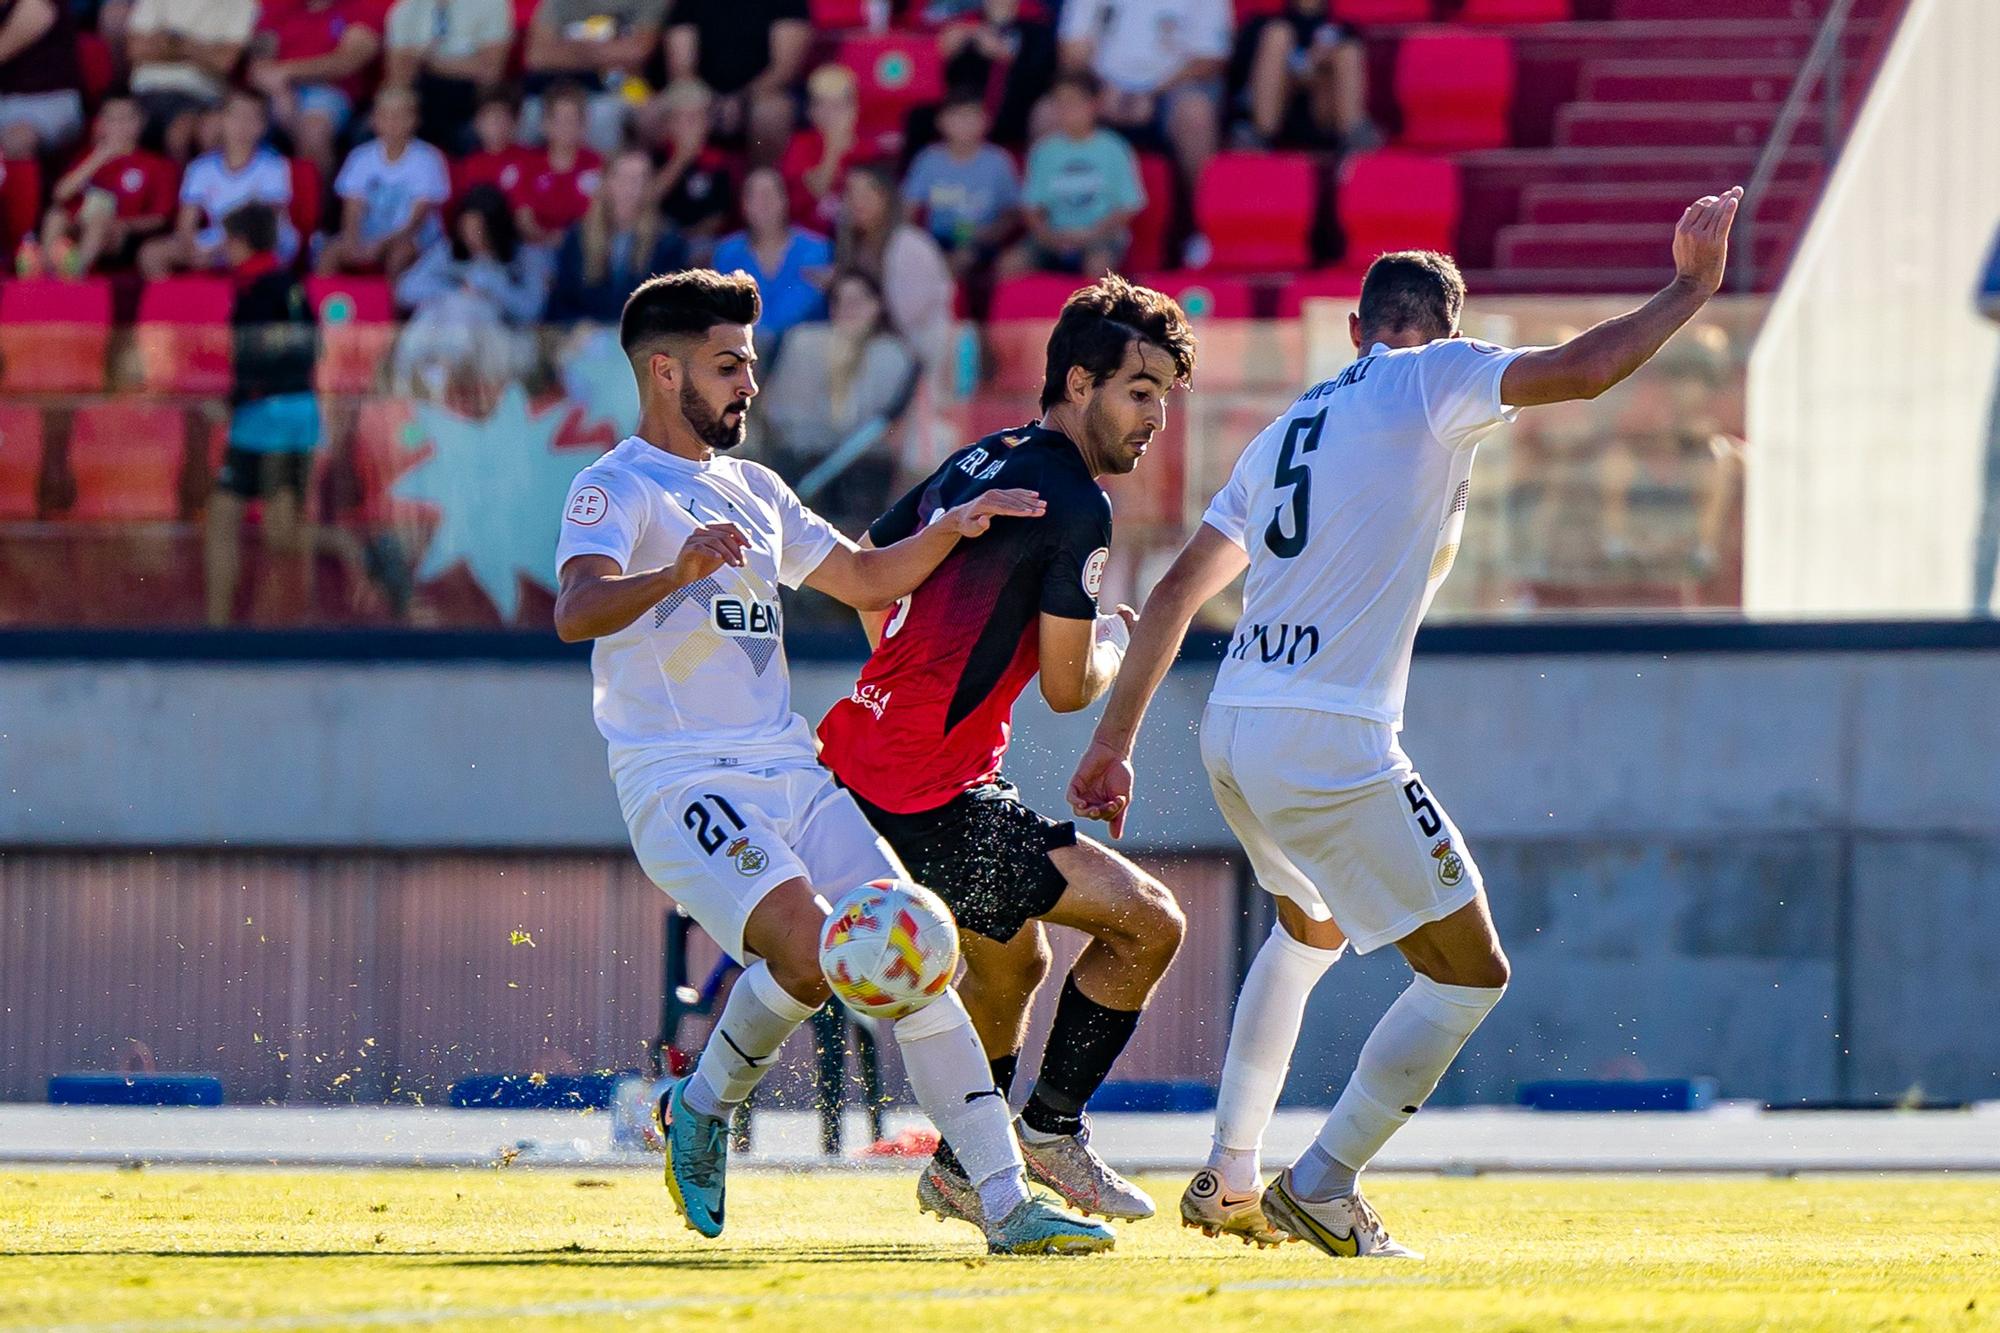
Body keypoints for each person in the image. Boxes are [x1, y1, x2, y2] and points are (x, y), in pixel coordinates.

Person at [1067, 189, 1745, 1257]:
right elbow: (1577, 369)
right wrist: (1687, 288)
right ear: (1452, 329)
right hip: (1325, 738)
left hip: (1233, 723)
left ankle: (1230, 1174)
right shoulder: (1437, 375)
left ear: (1351, 330)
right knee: (1469, 970)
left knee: (1309, 928)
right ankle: (1323, 1182)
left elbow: (1175, 591)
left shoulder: (1288, 422)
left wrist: (1111, 741)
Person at [552, 268, 1112, 1256]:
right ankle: (704, 1104)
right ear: (661, 368)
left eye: (751, 366)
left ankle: (1002, 1198)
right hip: (682, 780)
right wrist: (672, 572)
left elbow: (858, 574)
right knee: (812, 950)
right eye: (729, 366)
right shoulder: (614, 486)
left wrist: (948, 532)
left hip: (790, 768)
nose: (747, 387)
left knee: (914, 945)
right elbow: (576, 609)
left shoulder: (757, 489)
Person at [816, 274, 1196, 1228]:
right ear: (1079, 382)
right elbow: (1070, 687)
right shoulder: (1080, 504)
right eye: (1139, 392)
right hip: (931, 789)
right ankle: (1050, 1133)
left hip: (872, 759)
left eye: (1163, 397)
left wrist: (907, 685)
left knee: (1014, 963)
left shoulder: (978, 461)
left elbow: (867, 571)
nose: (1154, 418)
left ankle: (960, 1161)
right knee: (1149, 923)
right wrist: (1116, 641)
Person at [204, 202, 321, 627]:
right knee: (228, 516)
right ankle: (216, 629)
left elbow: (256, 358)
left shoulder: (258, 288)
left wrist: (231, 401)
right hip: (284, 413)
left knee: (278, 533)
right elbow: (310, 346)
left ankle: (354, 551)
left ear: (240, 241)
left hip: (267, 417)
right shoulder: (287, 284)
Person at [755, 268, 916, 521]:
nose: (847, 308)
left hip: (864, 468)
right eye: (839, 300)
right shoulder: (803, 342)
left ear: (878, 305)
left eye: (858, 300)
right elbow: (781, 411)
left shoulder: (893, 354)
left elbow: (875, 423)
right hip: (802, 462)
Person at [393, 183, 551, 402]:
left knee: (466, 308)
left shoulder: (526, 256)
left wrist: (490, 287)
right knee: (442, 308)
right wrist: (459, 289)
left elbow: (531, 310)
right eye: (466, 229)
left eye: (479, 230)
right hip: (447, 340)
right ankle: (426, 379)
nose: (472, 238)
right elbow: (406, 290)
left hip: (503, 345)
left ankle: (439, 378)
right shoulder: (450, 252)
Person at [1058, 0, 1226, 194]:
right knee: (1049, 115)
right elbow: (1070, 52)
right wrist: (1099, 90)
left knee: (1196, 114)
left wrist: (1150, 92)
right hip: (1101, 88)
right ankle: (1048, 216)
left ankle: (1203, 216)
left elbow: (1211, 59)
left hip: (1171, 88)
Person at [140, 90, 296, 277]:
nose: (242, 125)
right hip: (217, 239)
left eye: (250, 118)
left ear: (262, 126)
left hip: (262, 240)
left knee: (252, 251)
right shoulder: (200, 167)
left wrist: (221, 249)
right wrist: (191, 249)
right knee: (151, 254)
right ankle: (172, 303)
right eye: (235, 116)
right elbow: (186, 222)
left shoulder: (273, 166)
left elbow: (264, 222)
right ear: (222, 120)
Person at [1008, 71, 1143, 278]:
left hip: (1102, 237)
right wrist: (1049, 236)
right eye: (1060, 103)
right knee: (1009, 265)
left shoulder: (1115, 148)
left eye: (1074, 103)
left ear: (1093, 104)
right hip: (1053, 236)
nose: (1066, 110)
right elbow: (1031, 207)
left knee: (1098, 267)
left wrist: (1090, 234)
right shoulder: (1044, 151)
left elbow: (1127, 207)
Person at [246, 0, 389, 180]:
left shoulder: (362, 6)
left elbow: (348, 60)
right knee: (228, 124)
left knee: (314, 130)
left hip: (328, 90)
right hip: (273, 89)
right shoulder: (280, 5)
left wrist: (287, 74)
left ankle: (314, 203)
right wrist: (279, 90)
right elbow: (260, 57)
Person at [36, 96, 178, 277]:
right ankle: (48, 274)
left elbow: (160, 217)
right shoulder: (88, 157)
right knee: (55, 216)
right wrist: (100, 157)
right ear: (101, 124)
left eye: (125, 118)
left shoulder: (157, 165)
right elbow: (60, 194)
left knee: (99, 222)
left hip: (121, 235)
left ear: (140, 122)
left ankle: (75, 276)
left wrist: (123, 224)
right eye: (111, 118)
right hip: (79, 226)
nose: (118, 125)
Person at [547, 148, 688, 326]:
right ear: (607, 182)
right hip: (586, 341)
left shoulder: (668, 241)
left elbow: (674, 306)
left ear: (648, 187)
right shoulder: (577, 237)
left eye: (639, 179)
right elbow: (561, 302)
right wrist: (578, 325)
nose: (630, 188)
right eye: (622, 178)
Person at [319, 87, 449, 278]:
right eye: (385, 115)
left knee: (399, 255)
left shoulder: (428, 159)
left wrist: (382, 244)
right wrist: (352, 240)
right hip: (368, 236)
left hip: (413, 238)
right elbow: (352, 210)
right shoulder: (360, 157)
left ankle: (385, 307)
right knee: (331, 252)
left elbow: (416, 221)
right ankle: (321, 305)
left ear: (414, 120)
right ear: (374, 120)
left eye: (399, 116)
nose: (392, 122)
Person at [834, 165, 954, 367]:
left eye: (868, 191)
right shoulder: (855, 250)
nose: (858, 200)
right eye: (851, 192)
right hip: (876, 348)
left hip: (921, 350)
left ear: (887, 198)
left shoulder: (911, 245)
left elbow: (909, 316)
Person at [711, 166, 830, 355]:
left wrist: (762, 333)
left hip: (801, 348)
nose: (764, 203)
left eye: (770, 194)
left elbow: (801, 305)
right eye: (755, 196)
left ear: (785, 201)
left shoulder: (816, 249)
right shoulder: (727, 252)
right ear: (744, 205)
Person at [521, 0, 666, 155]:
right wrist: (607, 52)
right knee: (530, 112)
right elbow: (536, 56)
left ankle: (599, 174)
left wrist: (571, 48)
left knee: (603, 113)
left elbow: (639, 51)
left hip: (623, 89)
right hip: (563, 86)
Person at [665, 0, 808, 156]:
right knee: (651, 114)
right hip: (702, 94)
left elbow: (784, 68)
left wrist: (741, 99)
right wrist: (711, 100)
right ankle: (659, 176)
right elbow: (681, 69)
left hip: (763, 93)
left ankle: (761, 178)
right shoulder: (689, 4)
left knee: (770, 112)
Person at [902, 89, 1020, 278]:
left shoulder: (998, 161)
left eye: (972, 116)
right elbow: (908, 207)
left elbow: (1012, 212)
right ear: (941, 122)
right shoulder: (929, 159)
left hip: (981, 240)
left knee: (964, 257)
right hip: (936, 239)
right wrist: (912, 242)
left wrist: (991, 233)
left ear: (985, 121)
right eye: (957, 117)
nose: (965, 124)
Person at [1232, 0, 1375, 152]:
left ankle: (1353, 138)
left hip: (1324, 115)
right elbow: (1240, 80)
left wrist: (1320, 61)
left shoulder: (1344, 28)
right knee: (1278, 35)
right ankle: (1258, 136)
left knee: (1348, 51)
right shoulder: (1262, 25)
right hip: (1278, 114)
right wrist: (1303, 66)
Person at [382, 0, 511, 151]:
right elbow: (398, 76)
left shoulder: (491, 4)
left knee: (470, 133)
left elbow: (490, 70)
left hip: (471, 98)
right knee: (376, 128)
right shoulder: (406, 9)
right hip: (421, 98)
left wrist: (428, 61)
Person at [125, 0, 258, 143]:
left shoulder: (241, 4)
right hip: (145, 89)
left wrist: (170, 44)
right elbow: (135, 50)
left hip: (200, 94)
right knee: (121, 123)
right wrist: (201, 50)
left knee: (182, 132)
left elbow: (225, 62)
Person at [642, 79, 734, 259]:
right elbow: (646, 200)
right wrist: (681, 158)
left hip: (700, 241)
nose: (691, 125)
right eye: (684, 118)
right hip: (656, 237)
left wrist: (685, 238)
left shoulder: (717, 161)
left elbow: (718, 217)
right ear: (669, 124)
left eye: (697, 117)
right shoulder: (656, 157)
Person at [512, 81, 602, 248]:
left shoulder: (595, 164)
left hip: (582, 247)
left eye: (572, 120)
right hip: (538, 246)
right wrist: (547, 240)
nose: (565, 128)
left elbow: (598, 216)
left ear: (583, 125)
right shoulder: (528, 164)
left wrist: (567, 242)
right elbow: (524, 219)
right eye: (559, 120)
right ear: (545, 124)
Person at [0, 0, 84, 158]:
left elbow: (2, 49)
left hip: (49, 102)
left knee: (17, 139)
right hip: (5, 100)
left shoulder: (39, 5)